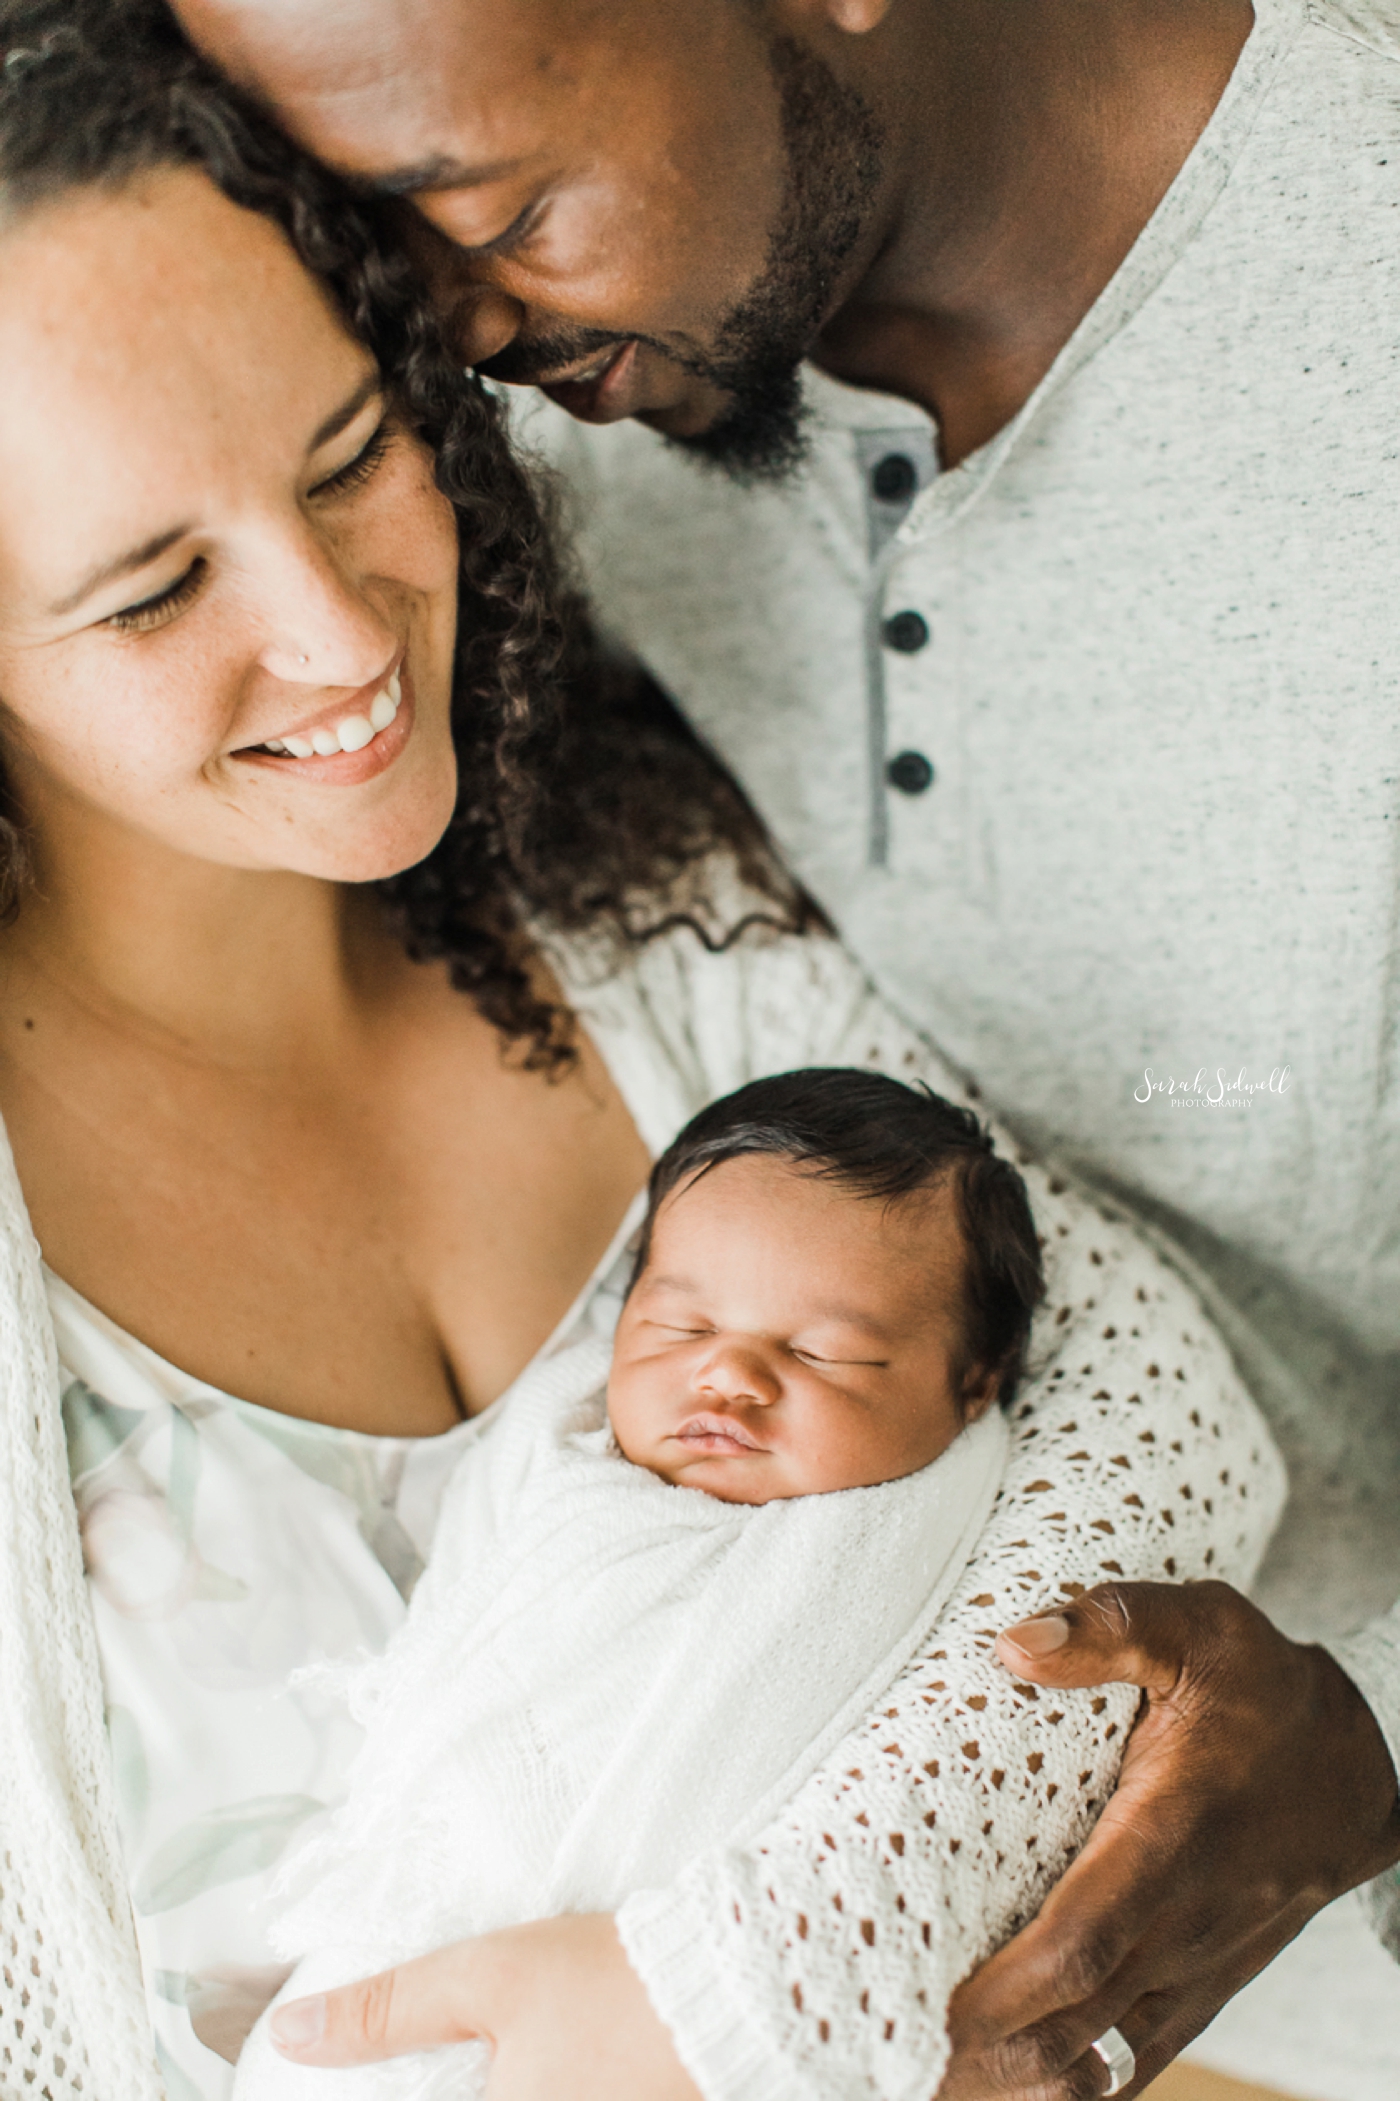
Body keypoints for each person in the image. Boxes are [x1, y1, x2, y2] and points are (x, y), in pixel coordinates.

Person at [0, 10, 1287, 2101]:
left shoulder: (648, 910)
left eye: (349, 459)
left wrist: (758, 1977)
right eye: (152, 594)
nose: (339, 641)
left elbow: (1145, 1402)